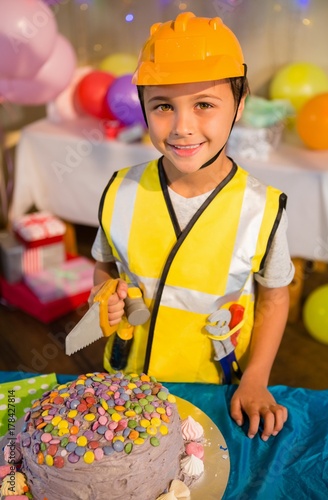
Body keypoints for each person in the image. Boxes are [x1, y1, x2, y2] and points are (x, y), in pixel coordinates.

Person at [89, 12, 294, 441]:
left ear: (239, 106)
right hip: (128, 375)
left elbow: (274, 296)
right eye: (163, 106)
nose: (182, 127)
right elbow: (106, 266)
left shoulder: (261, 207)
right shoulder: (120, 191)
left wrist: (256, 378)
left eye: (204, 104)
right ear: (143, 107)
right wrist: (101, 295)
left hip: (211, 382)